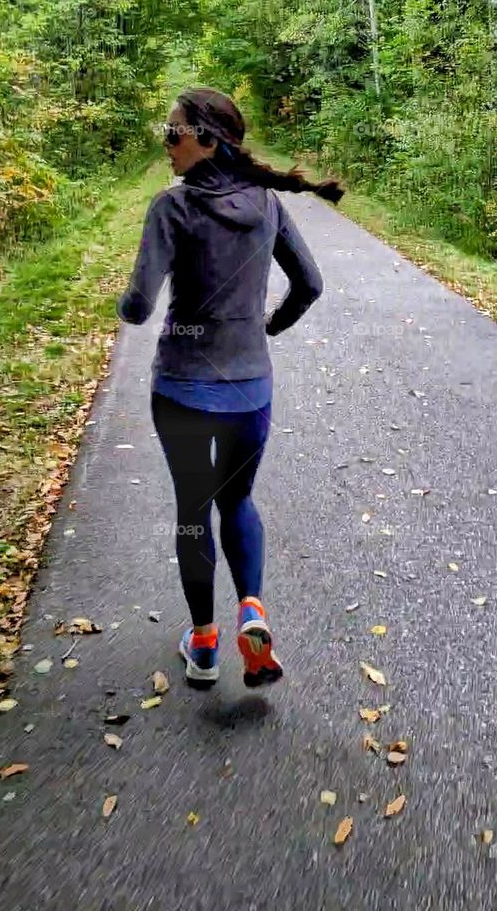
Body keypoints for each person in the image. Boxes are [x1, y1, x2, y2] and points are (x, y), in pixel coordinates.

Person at [117, 87, 344, 688]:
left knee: (193, 513)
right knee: (237, 501)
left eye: (174, 134)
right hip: (251, 391)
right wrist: (265, 328)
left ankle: (206, 644)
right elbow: (310, 284)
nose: (166, 144)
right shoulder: (268, 206)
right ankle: (252, 609)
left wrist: (127, 297)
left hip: (184, 392)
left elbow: (139, 309)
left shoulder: (171, 209)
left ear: (207, 141)